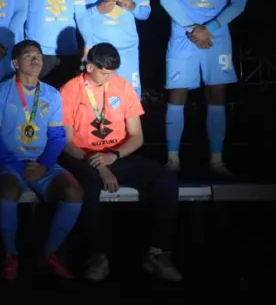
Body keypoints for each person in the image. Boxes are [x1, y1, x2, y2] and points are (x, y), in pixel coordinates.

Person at [58, 42, 183, 281]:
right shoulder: (70, 90)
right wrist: (100, 165)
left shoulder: (122, 86)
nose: (109, 78)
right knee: (88, 187)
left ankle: (157, 253)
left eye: (112, 73)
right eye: (104, 73)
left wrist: (114, 155)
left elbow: (137, 136)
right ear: (89, 67)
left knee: (165, 180)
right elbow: (67, 142)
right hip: (83, 156)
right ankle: (96, 256)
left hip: (116, 155)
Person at [160, 0, 250, 176]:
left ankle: (217, 160)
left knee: (217, 94)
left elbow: (239, 3)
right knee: (177, 93)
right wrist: (193, 28)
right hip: (182, 32)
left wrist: (208, 28)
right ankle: (173, 160)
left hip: (216, 34)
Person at [0, 40, 84, 281]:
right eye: (28, 55)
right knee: (9, 191)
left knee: (74, 192)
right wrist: (18, 166)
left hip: (42, 163)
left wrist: (43, 165)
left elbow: (58, 137)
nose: (36, 59)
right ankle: (11, 254)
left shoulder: (51, 94)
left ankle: (49, 253)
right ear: (15, 63)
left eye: (38, 56)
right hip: (9, 162)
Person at [79, 0, 150, 97]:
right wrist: (96, 10)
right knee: (98, 98)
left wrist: (133, 7)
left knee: (130, 97)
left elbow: (145, 13)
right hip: (98, 50)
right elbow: (77, 16)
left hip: (127, 49)